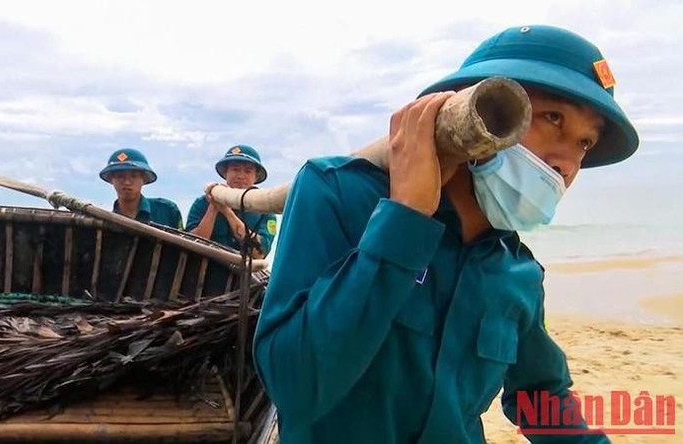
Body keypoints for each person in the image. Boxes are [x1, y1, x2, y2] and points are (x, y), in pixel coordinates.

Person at [253, 25, 638, 444]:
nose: (567, 163)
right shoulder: (337, 194)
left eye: (584, 143)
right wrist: (406, 219)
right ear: (478, 107)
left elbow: (539, 394)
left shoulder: (518, 271)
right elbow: (294, 388)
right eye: (552, 118)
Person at [186, 145, 277, 259]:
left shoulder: (264, 210)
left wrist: (227, 212)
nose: (240, 176)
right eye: (235, 169)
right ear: (225, 173)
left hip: (241, 275)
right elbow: (190, 246)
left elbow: (259, 254)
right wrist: (213, 207)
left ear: (256, 177)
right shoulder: (202, 203)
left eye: (248, 171)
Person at [99, 148, 183, 229]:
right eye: (120, 176)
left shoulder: (167, 210)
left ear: (144, 179)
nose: (127, 182)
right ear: (111, 180)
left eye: (134, 176)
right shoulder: (103, 222)